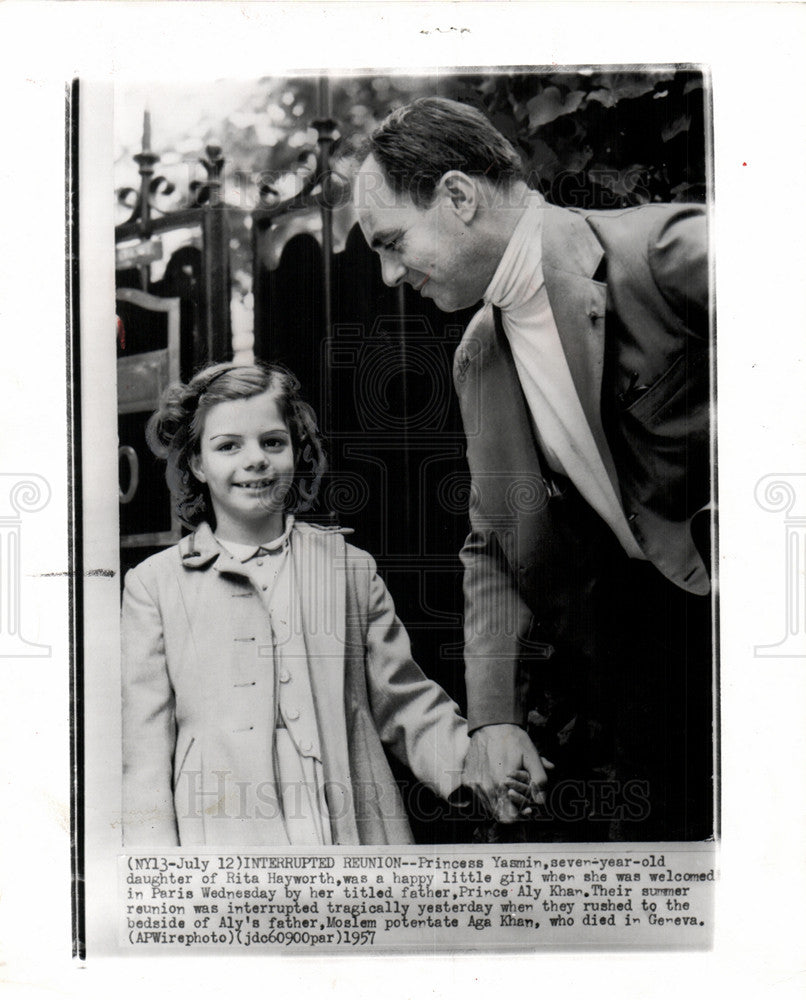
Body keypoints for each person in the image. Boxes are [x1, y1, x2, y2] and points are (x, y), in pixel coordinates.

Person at [354, 97, 713, 841]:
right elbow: (495, 538)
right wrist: (492, 720)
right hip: (652, 655)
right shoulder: (477, 355)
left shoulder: (662, 252)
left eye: (392, 242)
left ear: (457, 196)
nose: (389, 275)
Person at [122, 361, 525, 846]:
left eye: (273, 442)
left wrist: (476, 764)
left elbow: (404, 698)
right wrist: (156, 872)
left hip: (347, 822)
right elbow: (144, 750)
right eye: (228, 446)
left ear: (297, 449)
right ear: (196, 463)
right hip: (223, 834)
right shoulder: (154, 586)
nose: (256, 460)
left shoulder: (347, 567)